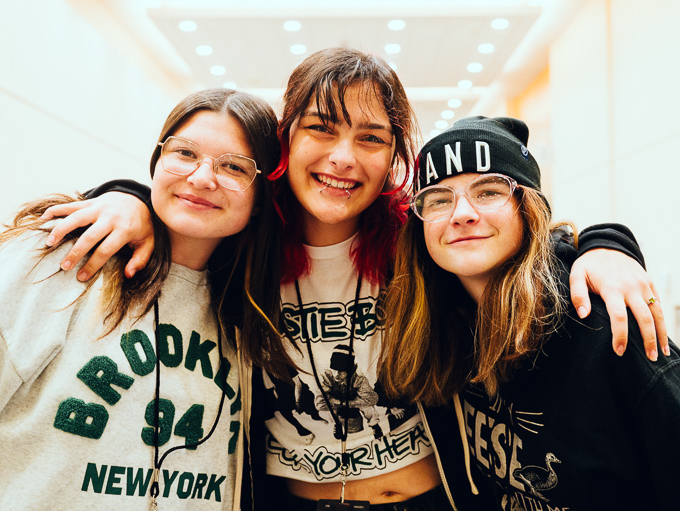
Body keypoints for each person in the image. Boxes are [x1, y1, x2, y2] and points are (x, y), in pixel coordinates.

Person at [39, 49, 667, 510]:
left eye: (370, 137)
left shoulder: (414, 246)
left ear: (395, 157)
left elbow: (528, 244)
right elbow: (185, 201)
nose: (342, 158)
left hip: (426, 498)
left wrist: (609, 245)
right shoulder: (246, 242)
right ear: (286, 141)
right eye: (321, 128)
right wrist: (124, 195)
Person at [0, 88, 281, 510]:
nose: (203, 177)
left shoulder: (243, 315)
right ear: (156, 161)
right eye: (185, 153)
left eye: (234, 167)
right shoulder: (65, 257)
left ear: (260, 198)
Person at [380, 116, 680, 510]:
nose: (461, 213)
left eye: (488, 191)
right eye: (438, 198)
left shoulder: (608, 328)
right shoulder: (444, 330)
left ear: (529, 208)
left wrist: (607, 241)